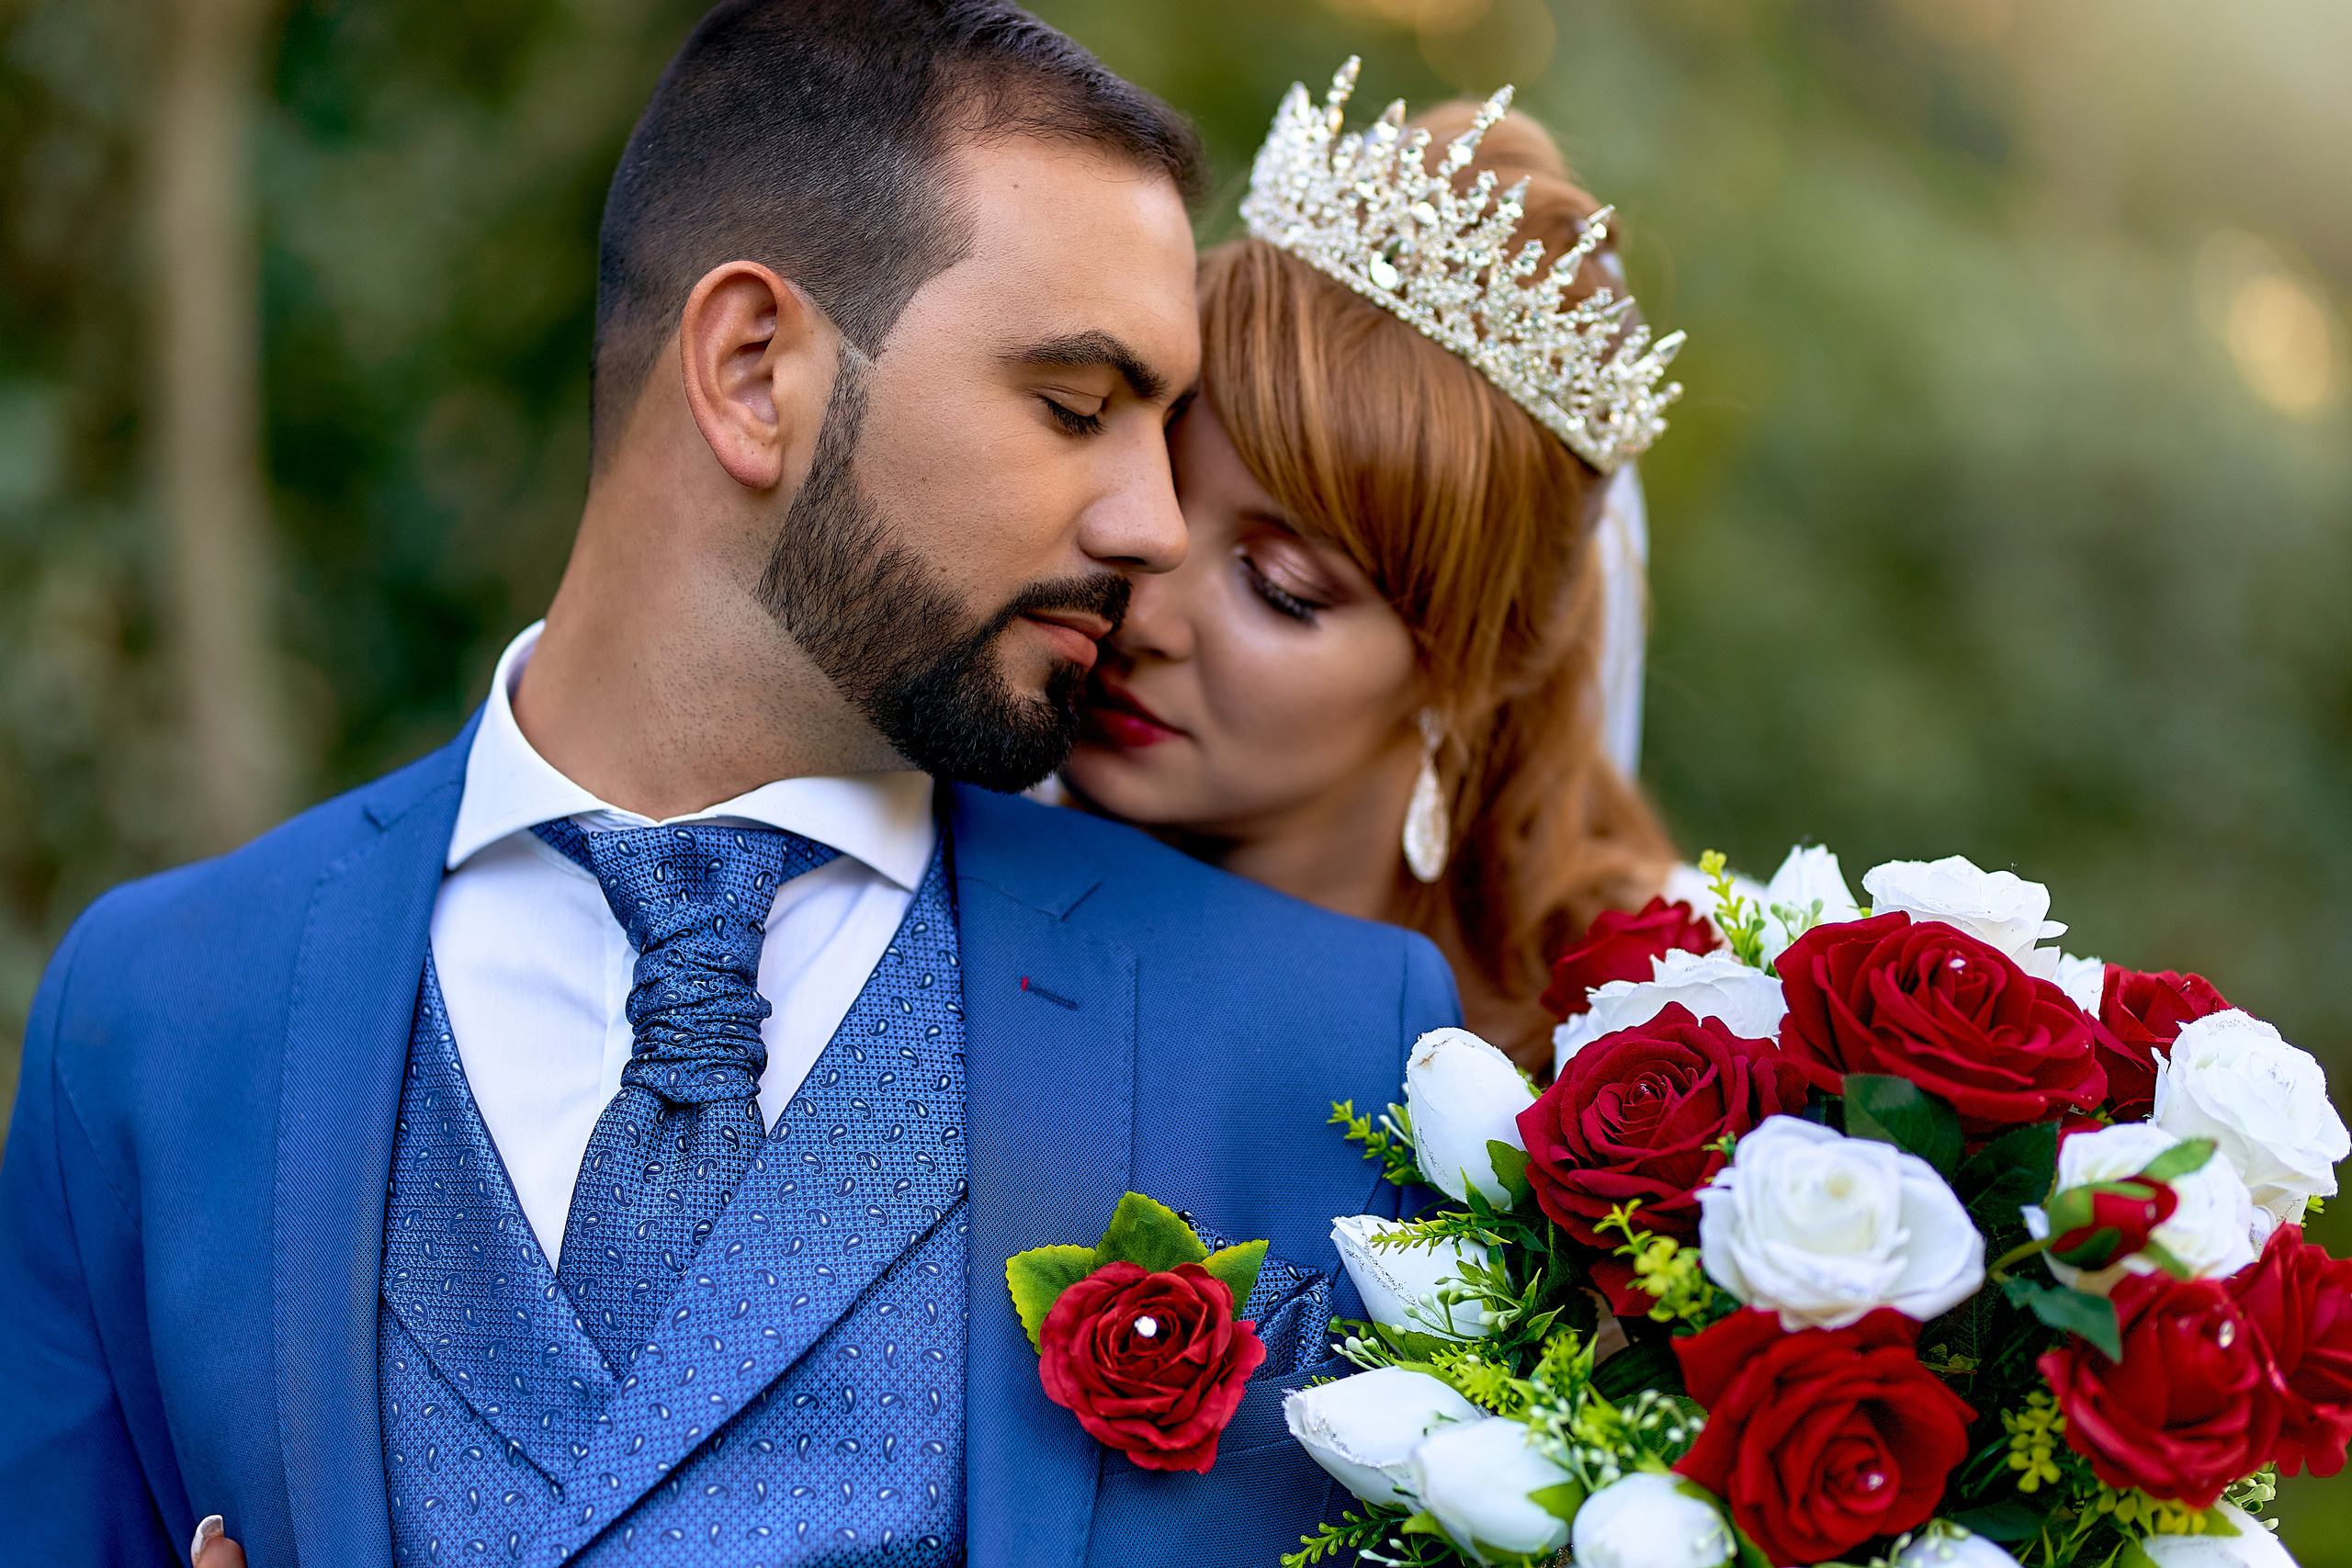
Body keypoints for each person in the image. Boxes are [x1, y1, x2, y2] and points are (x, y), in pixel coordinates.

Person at [0, 6, 1458, 1565]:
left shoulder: (1316, 1044)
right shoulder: (157, 1014)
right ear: (755, 369)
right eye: (1077, 406)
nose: (1154, 525)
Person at [1061, 73, 1686, 1071]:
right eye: (1156, 502)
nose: (1141, 618)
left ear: (1468, 666)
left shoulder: (1625, 1066)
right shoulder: (899, 879)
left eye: (1279, 585)